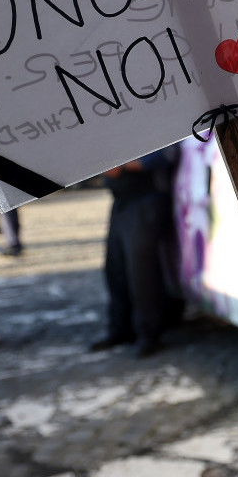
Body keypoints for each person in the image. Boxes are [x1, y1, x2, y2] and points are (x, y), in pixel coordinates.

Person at [90, 144, 179, 358]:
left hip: (147, 199)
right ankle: (120, 329)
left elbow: (168, 153)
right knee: (115, 268)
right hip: (122, 200)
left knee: (141, 272)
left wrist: (124, 166)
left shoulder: (152, 116)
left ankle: (148, 334)